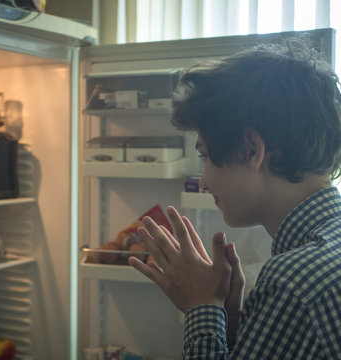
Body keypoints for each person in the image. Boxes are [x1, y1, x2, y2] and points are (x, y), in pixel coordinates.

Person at [128, 37, 341, 359]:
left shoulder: (292, 281)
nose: (203, 183)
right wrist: (230, 323)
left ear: (251, 150)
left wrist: (201, 307)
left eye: (205, 157)